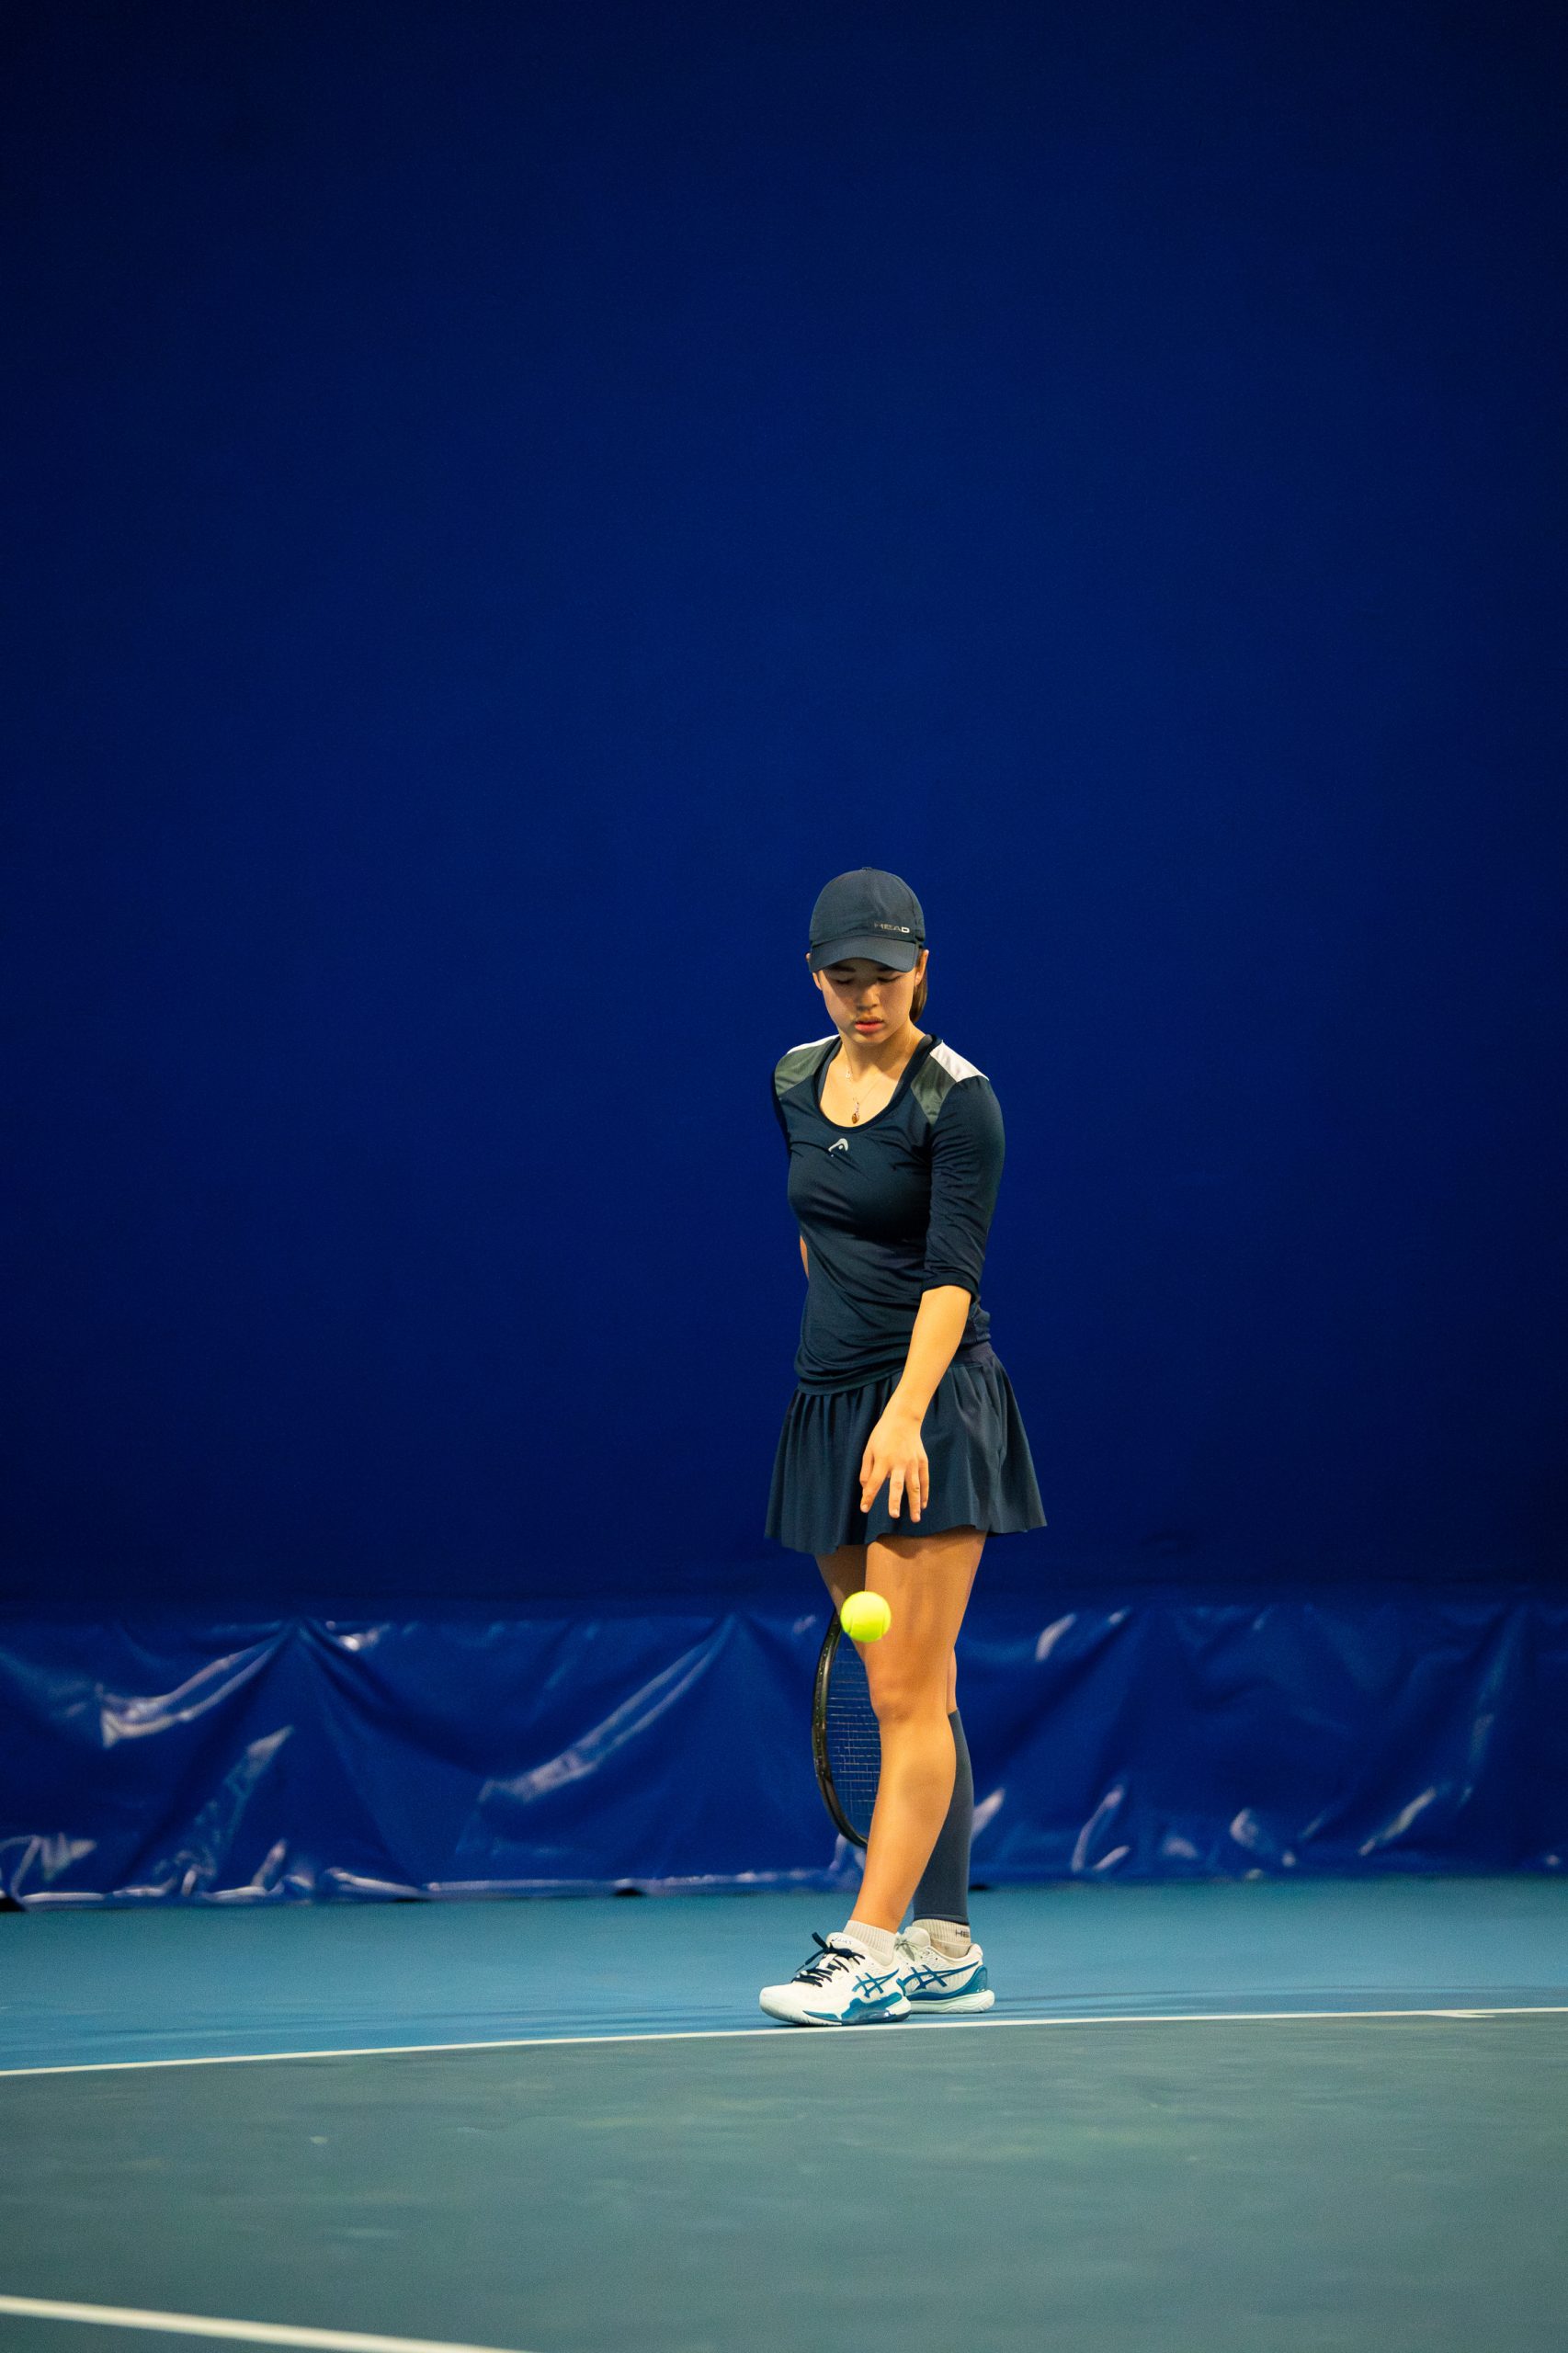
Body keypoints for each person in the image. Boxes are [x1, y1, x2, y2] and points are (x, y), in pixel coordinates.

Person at [760, 866, 1047, 2025]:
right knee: (914, 1684)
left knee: (905, 1693)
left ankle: (869, 1947)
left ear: (920, 968)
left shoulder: (957, 1100)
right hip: (828, 1404)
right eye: (843, 977)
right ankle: (944, 1940)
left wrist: (902, 1412)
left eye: (884, 975)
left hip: (927, 1407)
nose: (865, 997)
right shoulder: (791, 1079)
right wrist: (843, 1376)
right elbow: (816, 1230)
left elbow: (950, 1273)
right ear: (815, 978)